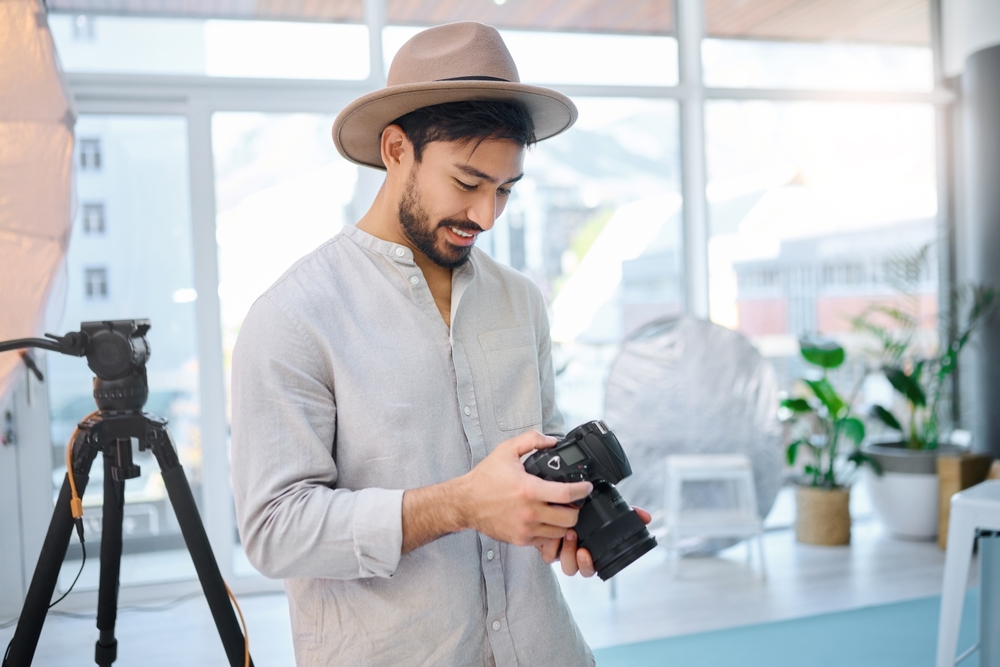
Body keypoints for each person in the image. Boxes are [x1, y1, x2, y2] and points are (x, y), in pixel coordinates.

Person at [230, 21, 649, 666]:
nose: (486, 216)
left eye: (505, 190)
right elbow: (273, 531)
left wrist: (564, 518)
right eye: (467, 182)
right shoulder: (294, 315)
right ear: (397, 150)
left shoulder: (520, 301)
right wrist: (458, 506)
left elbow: (536, 456)